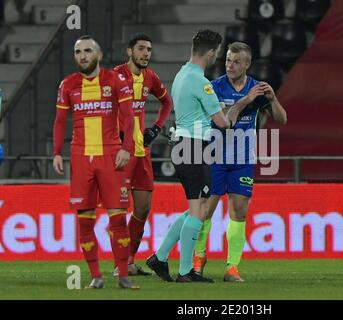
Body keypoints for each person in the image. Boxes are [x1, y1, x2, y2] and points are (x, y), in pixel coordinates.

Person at [145, 29, 250, 283]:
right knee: (199, 210)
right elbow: (222, 122)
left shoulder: (183, 74)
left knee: (198, 207)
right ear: (212, 52)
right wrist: (240, 104)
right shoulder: (201, 82)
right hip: (193, 146)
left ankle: (159, 258)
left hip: (183, 144)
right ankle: (183, 272)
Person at [193, 41, 287, 282]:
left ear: (247, 64)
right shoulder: (214, 87)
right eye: (227, 60)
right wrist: (246, 100)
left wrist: (273, 99)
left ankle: (232, 267)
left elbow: (282, 119)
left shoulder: (259, 88)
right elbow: (223, 120)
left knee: (239, 212)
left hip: (243, 159)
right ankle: (198, 259)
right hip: (214, 158)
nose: (230, 65)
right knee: (205, 211)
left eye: (236, 61)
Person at [53, 35, 139, 289]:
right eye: (78, 52)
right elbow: (59, 122)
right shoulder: (67, 84)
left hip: (111, 155)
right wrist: (57, 152)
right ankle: (96, 277)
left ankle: (123, 276)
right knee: (85, 220)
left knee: (118, 219)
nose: (82, 56)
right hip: (80, 157)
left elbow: (128, 116)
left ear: (99, 55)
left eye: (88, 51)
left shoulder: (115, 80)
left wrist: (126, 148)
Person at [112, 33, 173, 276]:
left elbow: (167, 103)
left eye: (148, 49)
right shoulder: (114, 77)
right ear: (129, 51)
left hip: (141, 151)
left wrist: (156, 128)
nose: (146, 53)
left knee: (143, 208)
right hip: (120, 153)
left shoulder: (151, 77)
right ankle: (120, 265)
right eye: (141, 48)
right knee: (119, 208)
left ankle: (128, 262)